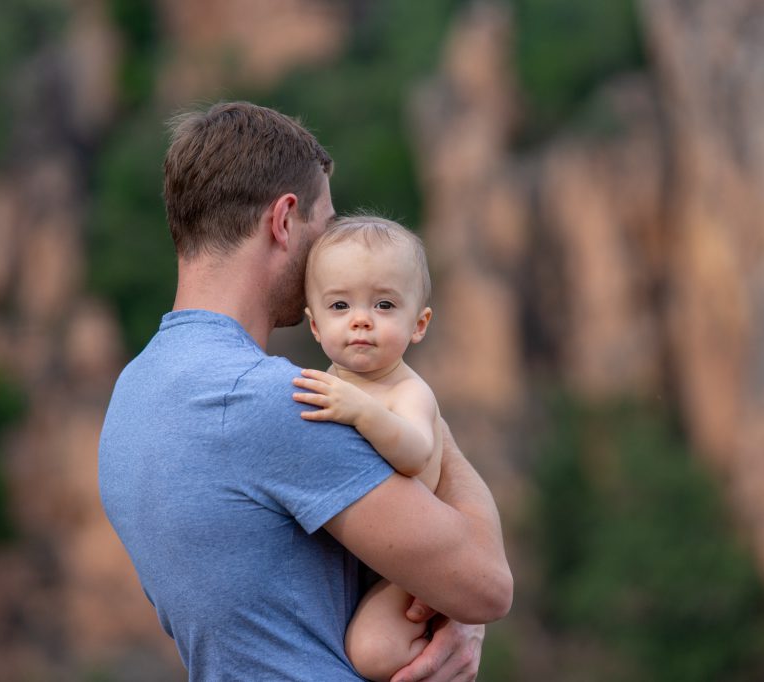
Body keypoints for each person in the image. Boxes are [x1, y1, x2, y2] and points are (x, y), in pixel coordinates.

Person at [98, 101, 512, 682]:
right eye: (328, 224)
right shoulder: (275, 402)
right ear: (285, 219)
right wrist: (417, 406)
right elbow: (487, 584)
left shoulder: (132, 394)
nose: (331, 248)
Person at [292, 216, 445, 681]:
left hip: (409, 562)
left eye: (384, 304)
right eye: (340, 305)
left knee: (372, 652)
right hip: (356, 556)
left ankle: (433, 641)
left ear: (418, 324)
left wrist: (362, 411)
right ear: (315, 326)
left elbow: (416, 452)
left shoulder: (406, 392)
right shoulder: (330, 383)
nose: (361, 319)